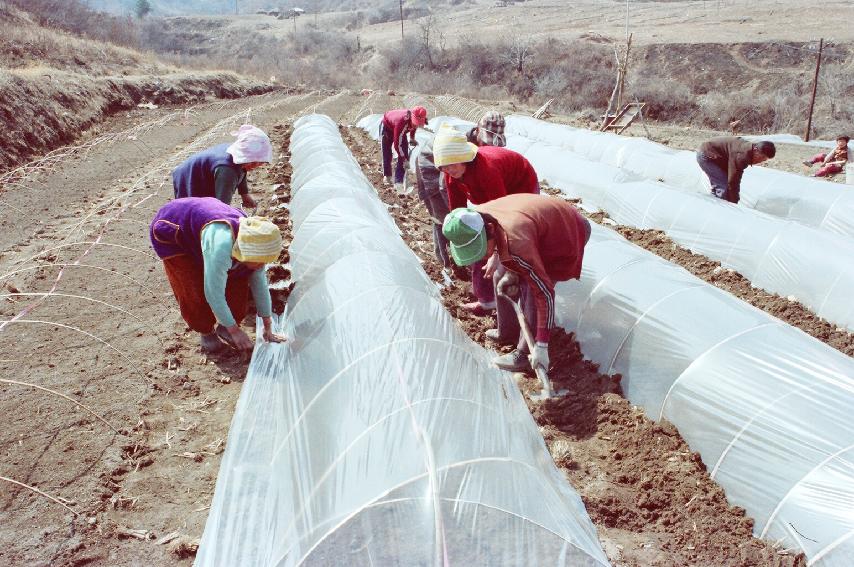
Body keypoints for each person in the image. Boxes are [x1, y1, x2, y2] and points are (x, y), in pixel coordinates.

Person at [442, 194, 591, 373]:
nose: (481, 256)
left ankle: (525, 354)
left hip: (566, 232)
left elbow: (544, 293)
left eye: (481, 249)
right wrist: (509, 272)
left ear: (489, 229)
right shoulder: (473, 219)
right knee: (499, 276)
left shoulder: (515, 241)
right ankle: (508, 332)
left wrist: (542, 345)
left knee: (531, 290)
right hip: (536, 227)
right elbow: (508, 241)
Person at [150, 197, 286, 354]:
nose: (261, 266)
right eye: (259, 262)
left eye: (264, 262)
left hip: (209, 232)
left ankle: (225, 327)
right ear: (244, 253)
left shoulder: (255, 245)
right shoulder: (222, 246)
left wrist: (268, 326)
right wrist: (235, 331)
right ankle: (206, 331)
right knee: (192, 287)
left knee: (238, 286)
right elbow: (213, 293)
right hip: (173, 231)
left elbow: (260, 285)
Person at [433, 124, 539, 316]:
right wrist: (460, 242)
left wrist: (495, 253)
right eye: (445, 166)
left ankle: (516, 297)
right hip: (491, 200)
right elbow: (458, 214)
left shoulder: (487, 171)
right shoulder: (452, 176)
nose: (449, 170)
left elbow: (502, 215)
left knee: (511, 247)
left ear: (464, 157)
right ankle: (487, 301)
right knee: (477, 241)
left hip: (520, 189)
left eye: (453, 164)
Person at [172, 124, 273, 208]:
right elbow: (222, 207)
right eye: (252, 161)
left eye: (259, 163)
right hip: (188, 176)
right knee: (193, 209)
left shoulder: (239, 160)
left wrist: (244, 194)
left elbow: (242, 171)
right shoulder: (227, 171)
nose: (253, 166)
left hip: (206, 174)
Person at [696, 137, 775, 204]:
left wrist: (733, 200)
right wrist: (734, 204)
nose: (761, 161)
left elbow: (735, 177)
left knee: (723, 188)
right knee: (723, 187)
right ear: (756, 150)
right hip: (707, 155)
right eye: (761, 157)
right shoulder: (741, 155)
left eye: (764, 160)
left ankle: (711, 203)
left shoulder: (748, 150)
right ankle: (716, 211)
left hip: (716, 156)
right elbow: (733, 181)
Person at [381, 106, 428, 192]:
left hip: (399, 130)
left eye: (418, 124)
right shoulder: (402, 122)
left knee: (405, 152)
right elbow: (397, 145)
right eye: (415, 123)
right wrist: (404, 159)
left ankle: (399, 181)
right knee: (387, 151)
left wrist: (412, 138)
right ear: (411, 118)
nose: (416, 125)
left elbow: (414, 127)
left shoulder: (414, 120)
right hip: (387, 126)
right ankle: (387, 176)